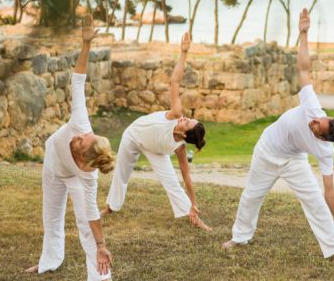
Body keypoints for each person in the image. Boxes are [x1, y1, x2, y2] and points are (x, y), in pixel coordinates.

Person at [221, 8, 334, 267]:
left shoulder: (325, 151)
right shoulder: (312, 106)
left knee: (315, 201)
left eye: (319, 125)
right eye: (321, 118)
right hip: (267, 149)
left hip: (293, 159)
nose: (316, 120)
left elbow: (329, 190)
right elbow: (304, 69)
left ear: (323, 138)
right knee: (252, 195)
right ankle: (239, 237)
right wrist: (303, 33)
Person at [25, 14, 116, 281]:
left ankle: (100, 276)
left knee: (85, 227)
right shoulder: (81, 123)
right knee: (51, 217)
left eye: (80, 141)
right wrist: (86, 43)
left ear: (82, 155)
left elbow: (91, 216)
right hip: (53, 166)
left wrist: (102, 246)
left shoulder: (88, 178)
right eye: (83, 136)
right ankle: (49, 261)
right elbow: (77, 80)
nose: (79, 136)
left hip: (71, 176)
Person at [101, 32, 211, 230]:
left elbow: (186, 177)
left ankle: (192, 215)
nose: (184, 118)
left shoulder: (179, 147)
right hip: (133, 135)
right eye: (188, 118)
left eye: (187, 122)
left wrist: (194, 203)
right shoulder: (175, 114)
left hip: (156, 150)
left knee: (171, 183)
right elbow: (175, 82)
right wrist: (183, 53)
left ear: (185, 135)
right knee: (121, 173)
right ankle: (111, 207)